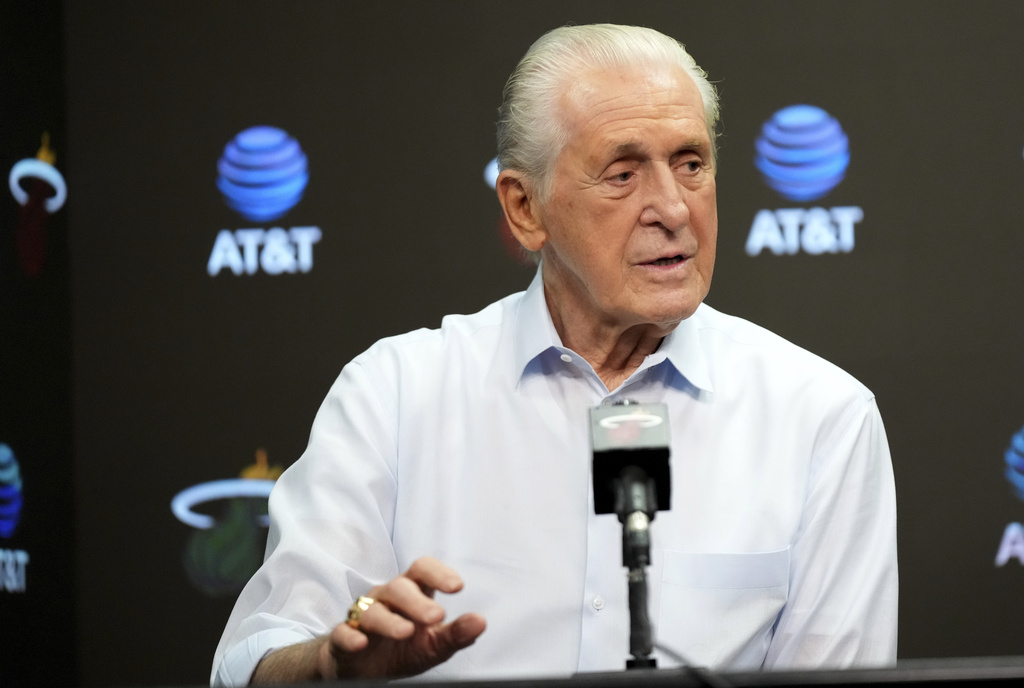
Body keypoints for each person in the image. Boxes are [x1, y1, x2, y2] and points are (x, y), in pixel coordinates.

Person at [211, 23, 897, 686]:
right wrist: (332, 663)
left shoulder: (820, 417)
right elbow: (256, 655)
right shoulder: (394, 396)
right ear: (524, 209)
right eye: (623, 174)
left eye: (691, 163)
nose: (675, 208)